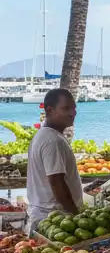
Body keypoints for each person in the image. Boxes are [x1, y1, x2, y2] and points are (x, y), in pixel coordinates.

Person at [27, 88, 84, 229]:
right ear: (50, 110)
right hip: (55, 220)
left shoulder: (47, 135)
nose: (73, 113)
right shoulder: (51, 140)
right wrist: (76, 216)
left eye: (74, 108)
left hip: (50, 217)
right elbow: (57, 182)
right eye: (66, 108)